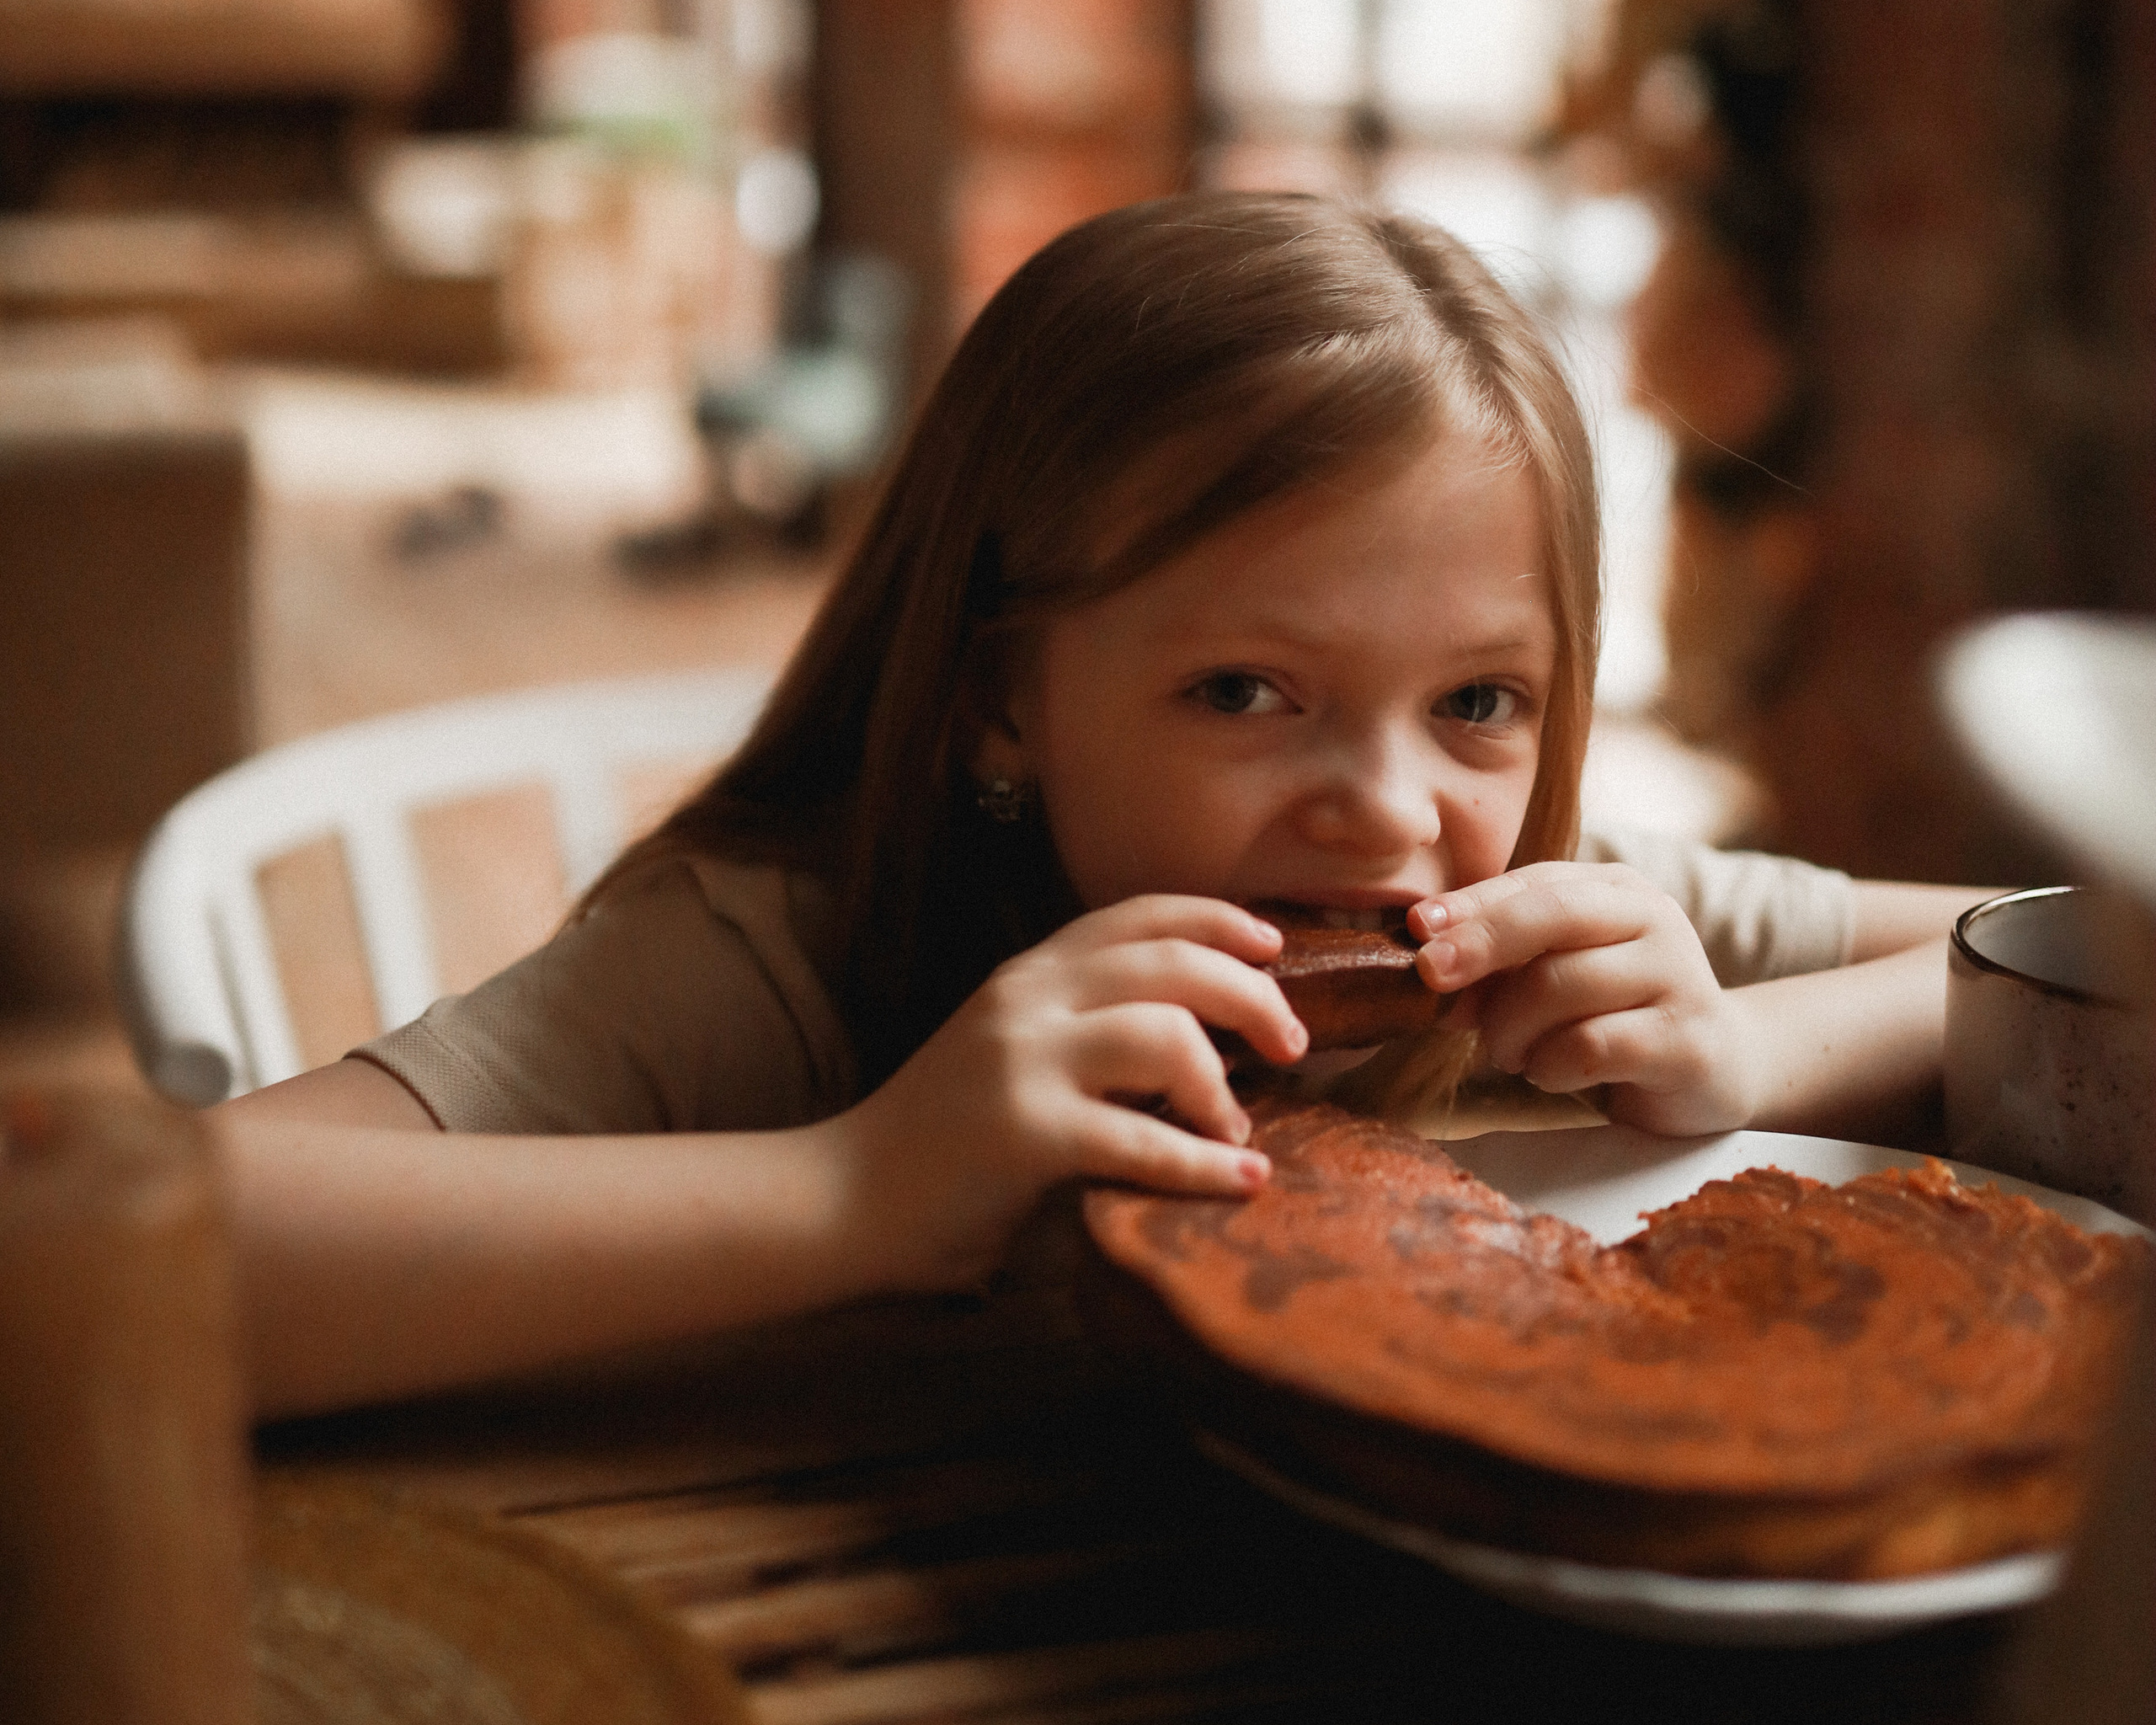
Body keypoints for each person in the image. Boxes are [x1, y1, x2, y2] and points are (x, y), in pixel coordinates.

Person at [219, 195, 1982, 1419]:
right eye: (1242, 694)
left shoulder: (1557, 915)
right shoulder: (783, 963)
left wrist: (1753, 1060)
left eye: (1475, 704)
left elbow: (2086, 955)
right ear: (1002, 700)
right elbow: (116, 1262)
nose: (1383, 815)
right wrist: (852, 1190)